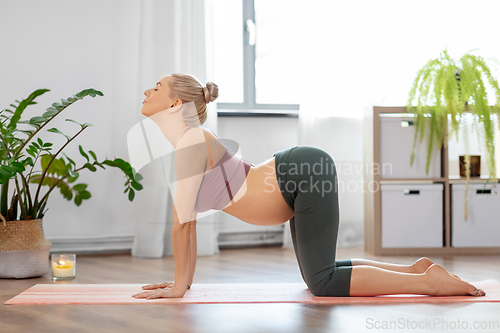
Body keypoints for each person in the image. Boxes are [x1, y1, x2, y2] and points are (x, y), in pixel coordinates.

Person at [132, 74, 485, 299]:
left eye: (157, 87)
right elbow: (187, 224)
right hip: (295, 175)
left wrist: (179, 286)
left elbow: (183, 224)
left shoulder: (192, 140)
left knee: (322, 283)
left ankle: (430, 285)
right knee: (320, 273)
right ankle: (418, 270)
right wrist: (183, 285)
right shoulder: (191, 141)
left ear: (176, 103)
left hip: (298, 175)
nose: (148, 90)